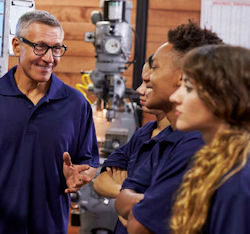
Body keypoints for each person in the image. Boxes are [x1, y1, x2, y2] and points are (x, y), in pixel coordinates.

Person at [115, 22, 223, 234]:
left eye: (154, 68)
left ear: (182, 76)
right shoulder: (162, 137)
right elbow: (122, 198)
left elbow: (140, 225)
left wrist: (141, 205)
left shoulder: (197, 144)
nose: (144, 81)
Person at [0, 10, 99, 234]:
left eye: (56, 49)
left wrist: (80, 176)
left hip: (49, 226)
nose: (49, 58)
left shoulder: (75, 104)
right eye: (40, 46)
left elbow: (89, 162)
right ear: (17, 46)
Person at [169, 44, 250, 234]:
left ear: (224, 97)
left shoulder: (238, 180)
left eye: (188, 88)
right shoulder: (215, 160)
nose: (174, 97)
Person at [93, 55, 170, 227]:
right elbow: (100, 182)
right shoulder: (143, 133)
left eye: (148, 85)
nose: (139, 90)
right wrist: (127, 195)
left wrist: (124, 191)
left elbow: (154, 209)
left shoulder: (181, 141)